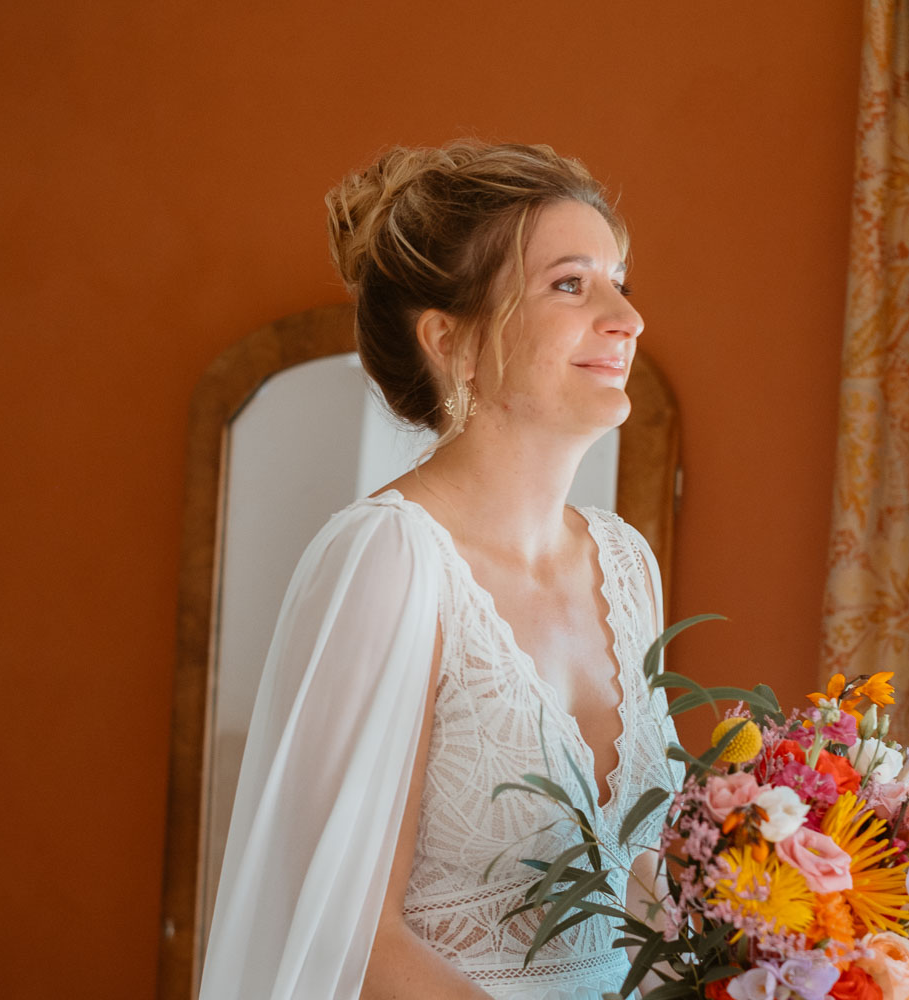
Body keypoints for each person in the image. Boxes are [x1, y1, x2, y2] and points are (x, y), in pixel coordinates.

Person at [199, 141, 681, 1000]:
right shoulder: (389, 560)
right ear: (448, 338)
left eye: (621, 283)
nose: (626, 318)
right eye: (572, 284)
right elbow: (349, 935)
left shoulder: (625, 563)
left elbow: (642, 882)